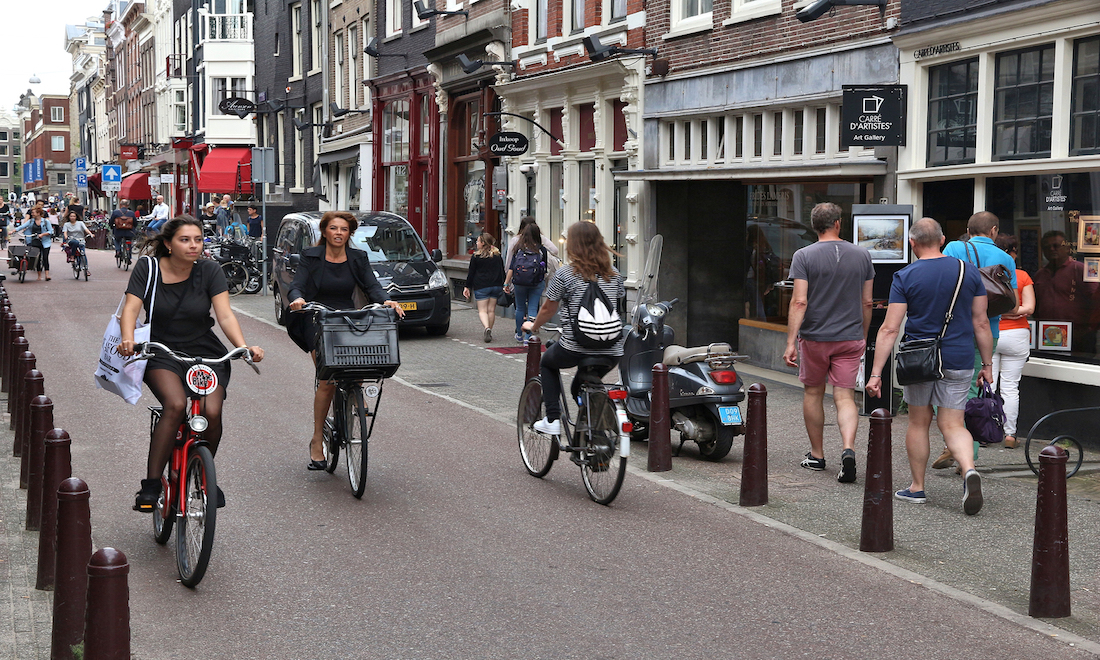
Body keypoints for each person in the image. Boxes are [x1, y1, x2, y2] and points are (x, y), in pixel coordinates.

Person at [117, 216, 265, 511]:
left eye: (198, 239)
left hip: (205, 350)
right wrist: (128, 339)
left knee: (212, 410)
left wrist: (242, 347)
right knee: (174, 404)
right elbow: (131, 308)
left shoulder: (210, 270)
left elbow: (224, 315)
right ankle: (151, 485)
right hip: (162, 350)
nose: (193, 245)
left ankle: (201, 471)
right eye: (185, 240)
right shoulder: (148, 268)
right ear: (169, 244)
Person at [866, 217, 991, 516]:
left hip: (919, 360)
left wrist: (875, 373)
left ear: (912, 243)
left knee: (919, 422)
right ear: (943, 239)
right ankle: (969, 469)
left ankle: (917, 487)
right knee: (952, 424)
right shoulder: (968, 272)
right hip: (959, 358)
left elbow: (889, 329)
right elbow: (981, 322)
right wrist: (987, 363)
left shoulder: (905, 275)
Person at [286, 211, 406, 470]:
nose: (338, 233)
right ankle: (317, 439)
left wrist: (385, 300)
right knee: (327, 380)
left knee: (358, 358)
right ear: (325, 232)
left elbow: (372, 286)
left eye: (344, 229)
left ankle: (355, 391)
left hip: (346, 314)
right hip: (316, 315)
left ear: (349, 233)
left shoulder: (357, 257)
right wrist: (297, 299)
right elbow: (298, 284)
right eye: (334, 228)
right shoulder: (311, 256)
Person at [782, 202, 875, 483]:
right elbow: (867, 301)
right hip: (850, 336)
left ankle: (817, 455)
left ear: (814, 226)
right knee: (844, 396)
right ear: (838, 223)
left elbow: (799, 300)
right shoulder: (862, 255)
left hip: (815, 337)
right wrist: (863, 333)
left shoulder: (803, 256)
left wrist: (790, 341)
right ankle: (848, 449)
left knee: (813, 393)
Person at [932, 211, 1018, 470]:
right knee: (973, 388)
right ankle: (967, 449)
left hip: (954, 328)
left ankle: (956, 444)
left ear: (969, 229)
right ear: (993, 230)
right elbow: (1011, 304)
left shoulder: (954, 247)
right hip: (988, 331)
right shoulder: (1005, 258)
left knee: (943, 384)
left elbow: (942, 282)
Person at [522, 221, 625, 438]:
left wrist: (534, 326)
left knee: (547, 364)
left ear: (573, 245)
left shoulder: (566, 274)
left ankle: (551, 419)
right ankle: (592, 431)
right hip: (611, 350)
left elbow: (549, 307)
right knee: (580, 387)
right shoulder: (614, 274)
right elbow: (619, 300)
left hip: (575, 347)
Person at [992, 233, 1034, 449]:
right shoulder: (1022, 275)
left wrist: (1000, 315)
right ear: (1011, 253)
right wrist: (1014, 313)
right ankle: (1010, 435)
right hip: (1017, 335)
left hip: (991, 333)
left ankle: (986, 432)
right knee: (1010, 387)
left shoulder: (986, 275)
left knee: (988, 384)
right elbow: (1029, 307)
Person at [1033, 230, 1099, 353]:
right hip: (1049, 335)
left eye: (1056, 246)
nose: (1052, 249)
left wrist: (1090, 328)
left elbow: (1095, 300)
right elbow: (1036, 305)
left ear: (1068, 248)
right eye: (1047, 247)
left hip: (1079, 335)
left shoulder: (1081, 269)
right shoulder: (1040, 274)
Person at [504, 219, 558, 344]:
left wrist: (507, 283)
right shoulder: (541, 250)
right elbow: (544, 268)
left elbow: (511, 266)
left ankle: (518, 334)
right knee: (533, 309)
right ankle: (528, 338)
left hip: (519, 283)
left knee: (520, 308)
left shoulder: (518, 248)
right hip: (536, 283)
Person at [463, 232, 506, 342]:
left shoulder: (476, 256)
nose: (476, 243)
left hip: (481, 286)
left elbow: (471, 273)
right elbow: (502, 271)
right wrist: (503, 285)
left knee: (482, 310)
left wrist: (467, 287)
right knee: (491, 310)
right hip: (495, 286)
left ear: (482, 243)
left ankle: (487, 328)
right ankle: (489, 331)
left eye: (478, 241)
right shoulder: (497, 255)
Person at [12, 206, 53, 281]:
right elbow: (22, 226)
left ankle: (47, 275)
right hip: (34, 241)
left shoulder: (46, 222)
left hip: (45, 242)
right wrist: (13, 231)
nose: (32, 214)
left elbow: (51, 231)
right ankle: (39, 276)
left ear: (38, 213)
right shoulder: (31, 221)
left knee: (45, 258)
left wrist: (43, 234)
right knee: (37, 258)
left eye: (33, 212)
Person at [62, 209, 92, 274]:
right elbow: (65, 232)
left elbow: (85, 229)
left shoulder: (80, 223)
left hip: (81, 239)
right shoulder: (66, 224)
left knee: (83, 253)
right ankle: (72, 256)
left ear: (76, 217)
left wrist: (90, 234)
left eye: (74, 216)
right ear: (69, 217)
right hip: (71, 239)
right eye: (71, 216)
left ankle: (86, 269)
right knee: (75, 243)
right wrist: (66, 236)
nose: (72, 217)